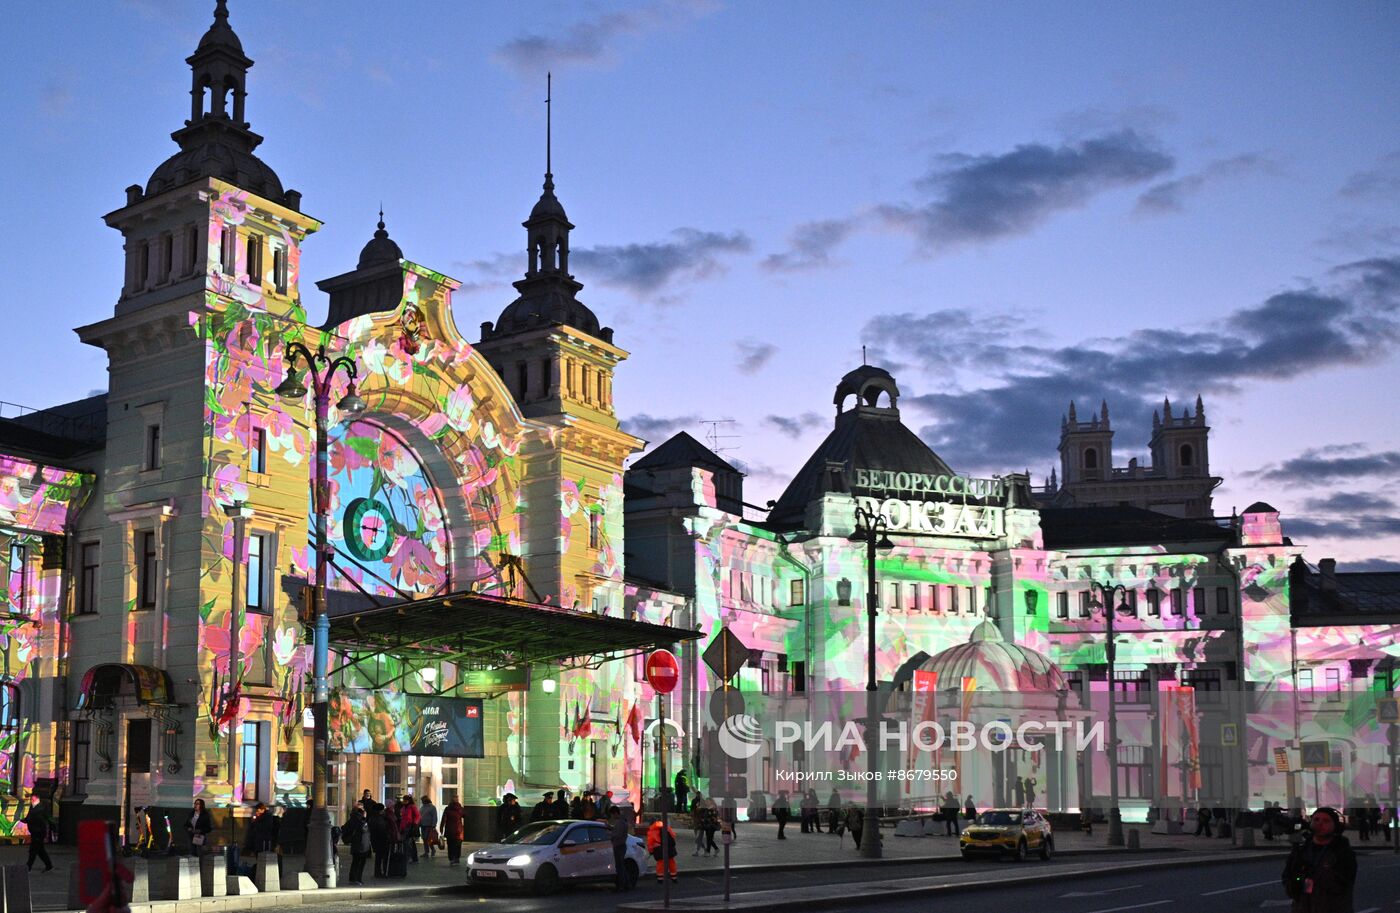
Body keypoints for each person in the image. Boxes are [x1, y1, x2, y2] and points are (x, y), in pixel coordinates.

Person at [1281, 807, 1356, 913]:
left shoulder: (1342, 852)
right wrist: (1295, 881)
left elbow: (1341, 884)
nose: (1320, 824)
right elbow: (1287, 877)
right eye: (1316, 820)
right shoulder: (1301, 850)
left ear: (1335, 826)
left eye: (1326, 821)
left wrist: (1312, 873)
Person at [342, 806, 371, 886]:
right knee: (359, 863)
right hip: (360, 844)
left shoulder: (353, 818)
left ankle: (355, 878)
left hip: (360, 844)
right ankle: (356, 879)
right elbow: (363, 828)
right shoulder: (358, 819)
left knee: (356, 862)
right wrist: (364, 818)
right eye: (363, 809)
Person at [24, 796, 54, 873]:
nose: (32, 800)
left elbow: (48, 818)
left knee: (33, 850)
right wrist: (24, 820)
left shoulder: (42, 808)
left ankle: (28, 866)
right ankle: (49, 865)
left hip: (39, 831)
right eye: (32, 798)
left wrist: (53, 827)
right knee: (40, 850)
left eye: (34, 798)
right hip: (34, 831)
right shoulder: (33, 806)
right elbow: (29, 817)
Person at [608, 807, 634, 892]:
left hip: (619, 845)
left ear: (615, 813)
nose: (612, 816)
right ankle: (626, 884)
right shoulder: (622, 821)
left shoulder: (620, 822)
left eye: (612, 814)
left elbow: (617, 834)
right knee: (621, 866)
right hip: (621, 845)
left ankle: (622, 885)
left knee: (620, 867)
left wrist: (610, 836)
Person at [647, 817, 678, 883]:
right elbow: (673, 836)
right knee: (671, 862)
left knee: (660, 864)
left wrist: (651, 851)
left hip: (659, 849)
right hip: (669, 848)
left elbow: (650, 842)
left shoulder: (652, 830)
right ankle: (674, 877)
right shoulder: (666, 827)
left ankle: (660, 878)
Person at [368, 805, 392, 879]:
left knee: (378, 857)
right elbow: (382, 830)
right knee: (383, 857)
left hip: (375, 840)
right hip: (381, 840)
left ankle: (378, 872)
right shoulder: (379, 819)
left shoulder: (372, 818)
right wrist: (387, 837)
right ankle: (382, 872)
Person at [443, 797, 465, 867]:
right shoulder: (459, 809)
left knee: (450, 845)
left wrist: (441, 827)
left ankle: (451, 858)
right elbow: (465, 815)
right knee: (458, 846)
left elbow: (444, 819)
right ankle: (457, 858)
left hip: (449, 830)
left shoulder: (447, 808)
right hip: (458, 830)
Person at [399, 795, 421, 863]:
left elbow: (418, 816)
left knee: (408, 843)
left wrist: (414, 823)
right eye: (404, 800)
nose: (404, 801)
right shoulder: (403, 807)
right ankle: (411, 857)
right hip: (404, 826)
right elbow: (403, 817)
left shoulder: (412, 807)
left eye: (405, 800)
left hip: (410, 826)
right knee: (407, 843)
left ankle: (410, 857)